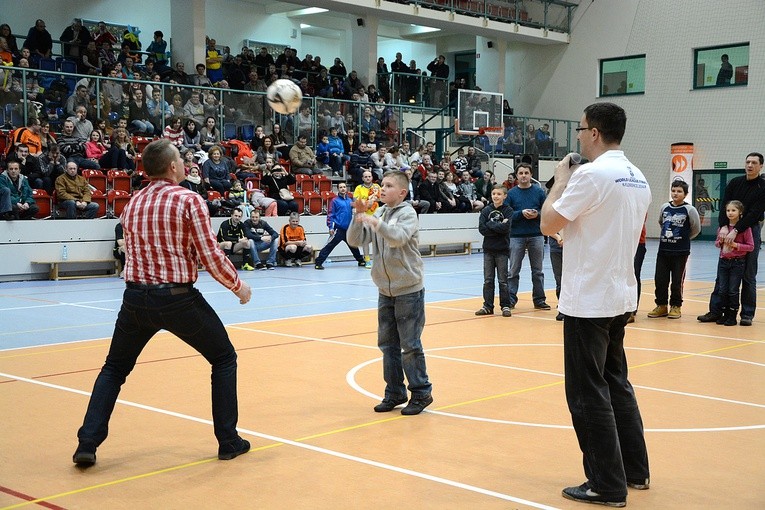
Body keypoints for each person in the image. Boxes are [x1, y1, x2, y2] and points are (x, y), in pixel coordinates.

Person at [73, 139, 252, 467]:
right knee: (224, 358)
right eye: (181, 160)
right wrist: (238, 287)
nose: (185, 164)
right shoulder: (189, 200)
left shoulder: (133, 202)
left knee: (114, 368)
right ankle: (228, 440)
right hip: (177, 299)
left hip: (135, 299)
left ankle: (87, 443)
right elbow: (210, 255)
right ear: (172, 167)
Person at [540, 102, 651, 507]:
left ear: (595, 132)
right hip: (621, 294)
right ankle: (634, 470)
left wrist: (559, 181)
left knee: (587, 394)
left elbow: (549, 222)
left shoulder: (589, 175)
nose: (579, 136)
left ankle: (606, 483)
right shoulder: (637, 176)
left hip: (590, 300)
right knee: (617, 384)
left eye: (581, 129)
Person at [347, 170, 433, 415]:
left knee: (410, 344)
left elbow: (397, 238)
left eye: (388, 185)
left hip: (408, 290)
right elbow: (354, 240)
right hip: (385, 290)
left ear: (402, 192)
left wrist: (376, 222)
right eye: (381, 184)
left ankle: (421, 392)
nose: (381, 188)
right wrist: (359, 214)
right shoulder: (380, 212)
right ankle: (394, 392)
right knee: (387, 344)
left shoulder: (408, 214)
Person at [698, 152, 764, 326]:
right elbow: (724, 206)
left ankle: (747, 313)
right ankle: (716, 310)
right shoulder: (735, 182)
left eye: (754, 163)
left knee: (749, 274)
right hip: (728, 229)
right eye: (748, 162)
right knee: (723, 272)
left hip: (750, 229)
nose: (750, 165)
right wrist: (724, 227)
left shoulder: (763, 186)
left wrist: (737, 230)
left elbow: (755, 213)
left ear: (761, 166)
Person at [647, 180, 700, 319]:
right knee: (660, 280)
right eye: (673, 190)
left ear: (685, 194)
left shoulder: (689, 210)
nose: (675, 193)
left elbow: (696, 229)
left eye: (679, 191)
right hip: (663, 250)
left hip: (680, 252)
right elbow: (661, 223)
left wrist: (683, 239)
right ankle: (661, 305)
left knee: (677, 281)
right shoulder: (664, 207)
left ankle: (676, 306)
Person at [505, 163, 550, 310]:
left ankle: (539, 300)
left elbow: (547, 212)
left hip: (536, 235)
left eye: (526, 173)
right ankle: (510, 299)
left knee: (538, 271)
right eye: (521, 173)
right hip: (516, 236)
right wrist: (520, 213)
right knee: (513, 271)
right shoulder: (511, 194)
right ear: (516, 176)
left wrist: (537, 215)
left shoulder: (539, 192)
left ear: (531, 175)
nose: (523, 175)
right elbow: (507, 214)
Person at [712, 200, 755, 326]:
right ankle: (724, 314)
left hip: (737, 263)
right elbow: (716, 243)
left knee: (733, 290)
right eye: (728, 210)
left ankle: (732, 316)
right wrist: (720, 242)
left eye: (733, 210)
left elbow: (751, 246)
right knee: (722, 289)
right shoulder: (722, 228)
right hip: (723, 262)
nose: (730, 213)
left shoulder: (745, 229)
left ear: (740, 212)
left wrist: (736, 245)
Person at [475, 184, 513, 317]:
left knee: (503, 280)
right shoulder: (486, 211)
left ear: (504, 196)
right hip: (488, 250)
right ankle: (488, 306)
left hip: (502, 250)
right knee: (488, 280)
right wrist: (497, 226)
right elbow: (482, 229)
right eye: (494, 194)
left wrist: (490, 225)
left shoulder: (508, 211)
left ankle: (506, 306)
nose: (496, 196)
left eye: (499, 194)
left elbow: (506, 229)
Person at [315, 182, 366, 270]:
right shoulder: (334, 201)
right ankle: (318, 262)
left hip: (349, 229)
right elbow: (330, 215)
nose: (343, 188)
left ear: (346, 188)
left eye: (344, 187)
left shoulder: (350, 200)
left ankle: (360, 260)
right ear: (338, 189)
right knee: (329, 246)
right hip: (338, 229)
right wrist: (330, 227)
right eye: (341, 187)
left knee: (353, 246)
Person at [353, 170, 381, 267]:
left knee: (378, 239)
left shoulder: (377, 187)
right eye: (365, 177)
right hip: (364, 217)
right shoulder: (359, 188)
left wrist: (375, 199)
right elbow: (356, 201)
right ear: (362, 178)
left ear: (372, 177)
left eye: (369, 176)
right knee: (366, 239)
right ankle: (367, 259)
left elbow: (382, 198)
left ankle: (378, 259)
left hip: (376, 216)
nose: (367, 178)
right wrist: (367, 202)